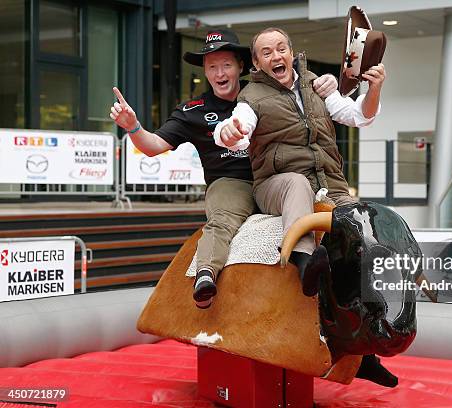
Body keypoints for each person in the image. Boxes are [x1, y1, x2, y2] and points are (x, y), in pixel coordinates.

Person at [109, 28, 337, 309]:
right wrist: (132, 126)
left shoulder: (267, 92)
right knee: (223, 218)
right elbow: (153, 145)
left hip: (277, 177)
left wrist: (329, 84)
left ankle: (310, 266)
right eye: (212, 67)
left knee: (324, 207)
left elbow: (309, 103)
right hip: (231, 181)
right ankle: (206, 274)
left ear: (241, 66)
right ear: (204, 72)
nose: (220, 73)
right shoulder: (193, 110)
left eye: (226, 65)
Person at [214, 27, 386, 297]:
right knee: (297, 183)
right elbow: (238, 129)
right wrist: (228, 133)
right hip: (276, 184)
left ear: (291, 54)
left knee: (362, 218)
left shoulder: (316, 84)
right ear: (257, 63)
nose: (276, 56)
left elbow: (357, 116)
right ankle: (303, 261)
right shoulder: (251, 97)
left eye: (281, 49)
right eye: (266, 52)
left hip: (331, 185)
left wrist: (374, 89)